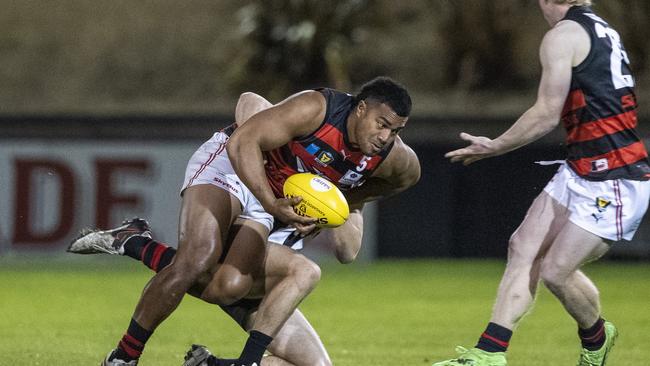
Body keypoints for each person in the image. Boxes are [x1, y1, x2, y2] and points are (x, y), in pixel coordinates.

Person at [69, 77, 420, 366]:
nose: (385, 137)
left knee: (228, 288)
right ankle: (123, 358)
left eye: (396, 130)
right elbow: (244, 140)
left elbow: (401, 182)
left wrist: (339, 207)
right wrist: (271, 202)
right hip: (236, 166)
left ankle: (135, 243)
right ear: (361, 109)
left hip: (274, 202)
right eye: (382, 125)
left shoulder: (395, 160)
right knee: (197, 258)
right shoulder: (318, 108)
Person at [433, 1, 650, 365]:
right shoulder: (599, 27)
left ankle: (596, 336)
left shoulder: (562, 36)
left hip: (614, 177)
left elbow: (547, 113)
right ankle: (488, 354)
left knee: (555, 271)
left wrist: (495, 145)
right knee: (523, 246)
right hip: (582, 167)